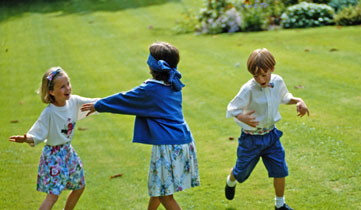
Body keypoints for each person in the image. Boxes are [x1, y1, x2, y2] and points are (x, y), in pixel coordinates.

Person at [81, 42, 199, 210]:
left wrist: (98, 105)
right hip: (182, 141)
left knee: (165, 196)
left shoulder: (151, 90)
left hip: (168, 147)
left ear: (152, 66)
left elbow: (124, 99)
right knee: (158, 189)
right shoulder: (173, 84)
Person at [224, 48, 309, 210]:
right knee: (241, 173)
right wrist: (242, 117)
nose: (261, 79)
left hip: (271, 136)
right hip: (251, 139)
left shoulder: (277, 81)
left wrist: (299, 100)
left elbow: (285, 98)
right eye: (256, 76)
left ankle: (280, 205)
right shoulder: (248, 89)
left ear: (272, 69)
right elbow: (231, 108)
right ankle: (231, 180)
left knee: (280, 170)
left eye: (264, 74)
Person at [9, 67, 96, 210]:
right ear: (51, 92)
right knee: (53, 196)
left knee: (79, 186)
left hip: (68, 152)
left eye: (68, 84)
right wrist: (26, 138)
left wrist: (113, 102)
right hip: (54, 157)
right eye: (62, 87)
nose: (68, 88)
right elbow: (38, 132)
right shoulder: (49, 112)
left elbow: (94, 103)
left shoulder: (73, 102)